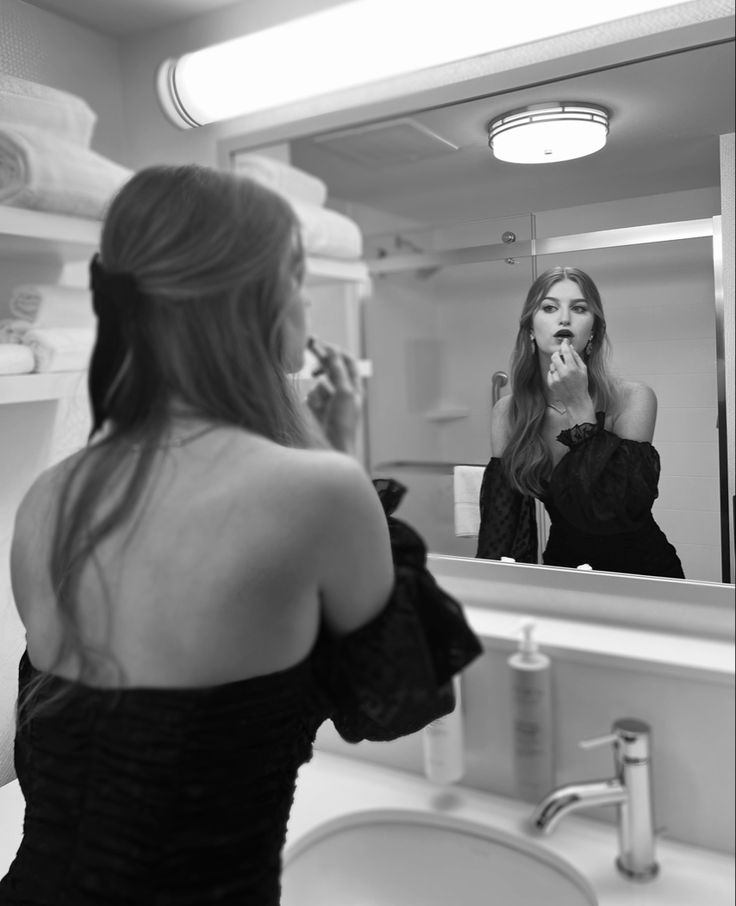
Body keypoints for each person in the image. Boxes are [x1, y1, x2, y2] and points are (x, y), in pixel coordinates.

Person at [0, 165, 482, 905]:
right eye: (298, 277)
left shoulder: (46, 501)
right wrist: (336, 449)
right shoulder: (318, 493)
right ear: (260, 295)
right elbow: (400, 702)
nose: (307, 304)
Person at [476, 265, 685, 579]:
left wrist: (579, 407)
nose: (564, 319)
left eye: (579, 308)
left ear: (594, 331)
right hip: (564, 570)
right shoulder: (509, 412)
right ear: (530, 328)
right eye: (549, 308)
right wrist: (497, 588)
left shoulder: (633, 399)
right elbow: (503, 526)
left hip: (643, 572)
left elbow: (616, 509)